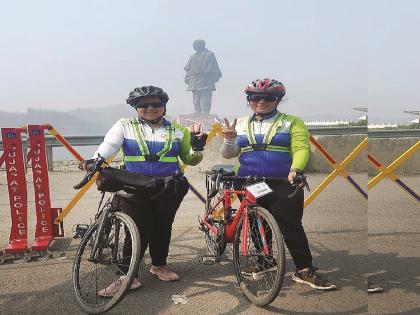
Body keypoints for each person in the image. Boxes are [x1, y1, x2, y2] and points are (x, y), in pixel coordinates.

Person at [79, 85, 207, 297]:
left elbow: (190, 159)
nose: (150, 108)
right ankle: (126, 276)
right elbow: (110, 143)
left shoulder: (178, 131)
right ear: (136, 107)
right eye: (143, 105)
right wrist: (96, 158)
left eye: (156, 104)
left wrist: (197, 146)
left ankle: (159, 266)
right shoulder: (125, 125)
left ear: (164, 107)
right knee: (136, 229)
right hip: (133, 186)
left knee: (163, 226)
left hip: (168, 186)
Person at [220, 78, 336, 290]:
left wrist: (295, 169)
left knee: (291, 225)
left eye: (269, 98)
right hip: (248, 180)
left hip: (282, 180)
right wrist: (228, 139)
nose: (261, 102)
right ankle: (265, 261)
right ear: (249, 100)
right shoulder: (241, 123)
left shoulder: (292, 122)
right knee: (256, 223)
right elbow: (229, 155)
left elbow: (301, 149)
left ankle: (304, 270)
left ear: (278, 100)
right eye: (255, 98)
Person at [184, 39, 222, 115]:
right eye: (194, 45)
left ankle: (205, 111)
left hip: (206, 79)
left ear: (202, 45)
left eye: (197, 45)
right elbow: (188, 68)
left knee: (205, 96)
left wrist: (213, 78)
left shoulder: (209, 54)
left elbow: (214, 67)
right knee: (196, 96)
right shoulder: (193, 56)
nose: (195, 47)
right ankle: (197, 110)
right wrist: (187, 77)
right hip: (194, 79)